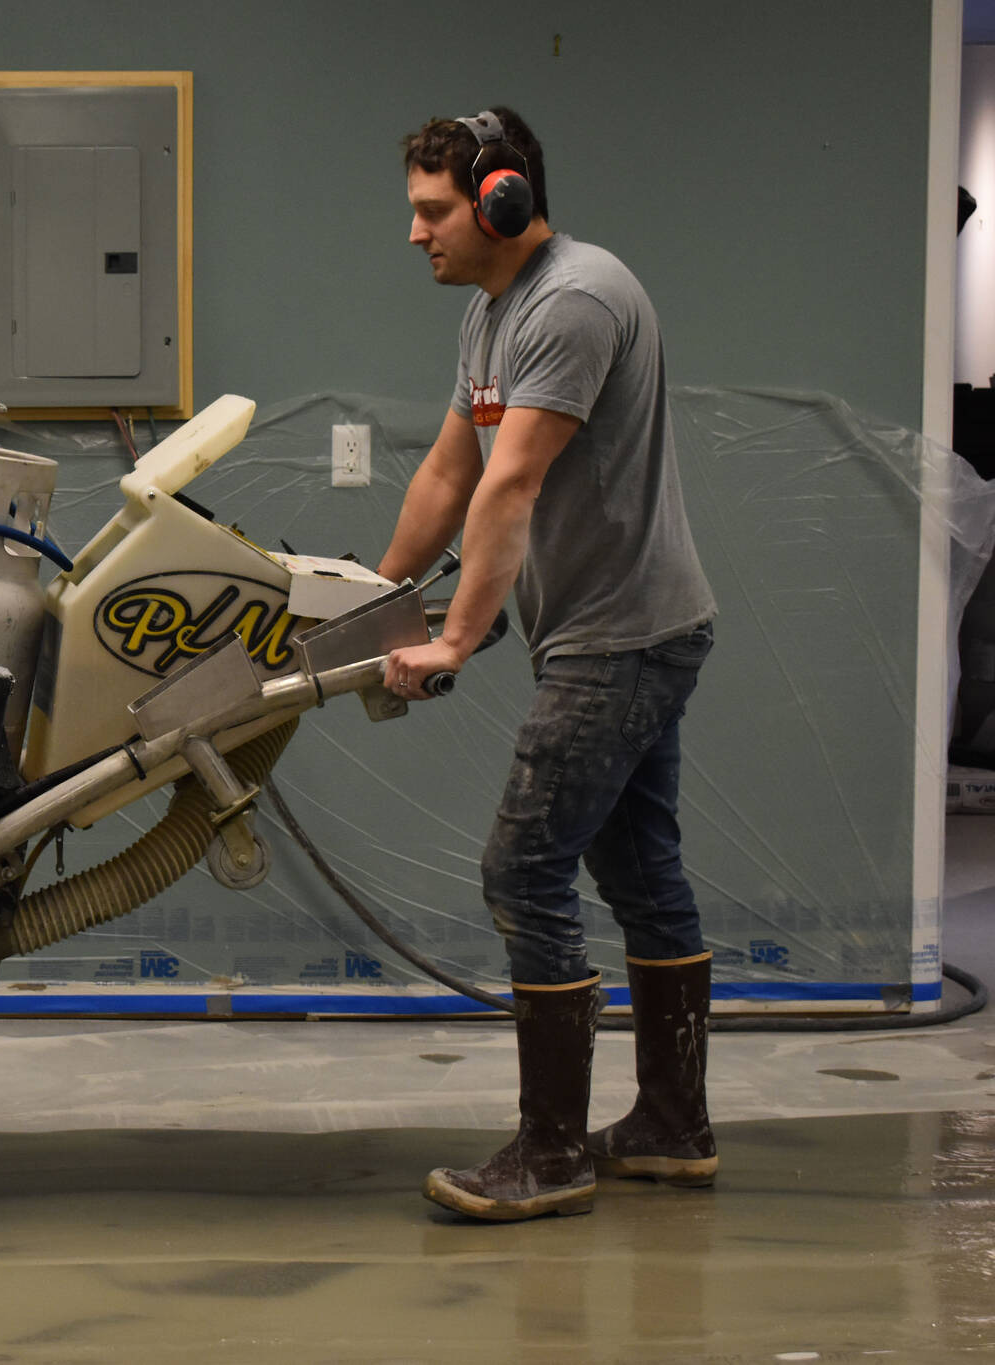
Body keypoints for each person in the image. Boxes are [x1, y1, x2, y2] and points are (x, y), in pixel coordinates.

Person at [376, 107, 720, 1222]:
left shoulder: (572, 301)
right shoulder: (491, 316)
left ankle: (552, 1153)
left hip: (620, 637)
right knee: (636, 876)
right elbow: (446, 472)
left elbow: (509, 486)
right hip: (612, 628)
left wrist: (453, 642)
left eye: (432, 212)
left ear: (500, 200)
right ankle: (670, 1128)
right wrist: (378, 602)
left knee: (521, 869)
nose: (415, 236)